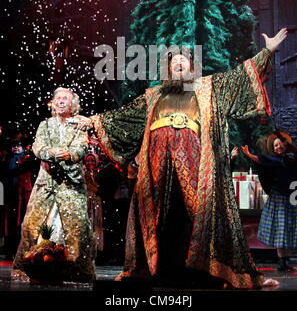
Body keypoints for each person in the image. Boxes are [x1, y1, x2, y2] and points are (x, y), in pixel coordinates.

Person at [77, 28, 287, 289]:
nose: (178, 62)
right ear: (167, 68)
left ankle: (210, 271)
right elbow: (124, 118)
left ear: (191, 66)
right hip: (157, 166)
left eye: (183, 59)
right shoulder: (153, 97)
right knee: (160, 215)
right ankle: (156, 268)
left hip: (195, 163)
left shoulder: (208, 88)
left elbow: (239, 79)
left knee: (198, 213)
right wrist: (94, 121)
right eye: (173, 60)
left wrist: (267, 52)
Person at [11, 87, 96, 283]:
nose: (60, 101)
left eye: (65, 98)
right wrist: (52, 153)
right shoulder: (45, 124)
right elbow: (37, 146)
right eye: (58, 98)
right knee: (33, 224)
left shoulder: (79, 125)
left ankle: (74, 270)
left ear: (72, 103)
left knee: (75, 226)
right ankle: (31, 266)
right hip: (46, 183)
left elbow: (81, 148)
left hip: (71, 183)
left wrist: (68, 154)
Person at [241, 130, 297, 272]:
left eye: (280, 145)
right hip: (278, 199)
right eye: (275, 146)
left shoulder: (291, 160)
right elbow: (261, 160)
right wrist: (249, 155)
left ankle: (286, 261)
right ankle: (281, 261)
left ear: (285, 146)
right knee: (280, 230)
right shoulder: (273, 161)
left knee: (288, 230)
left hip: (291, 198)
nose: (278, 148)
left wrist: (290, 147)